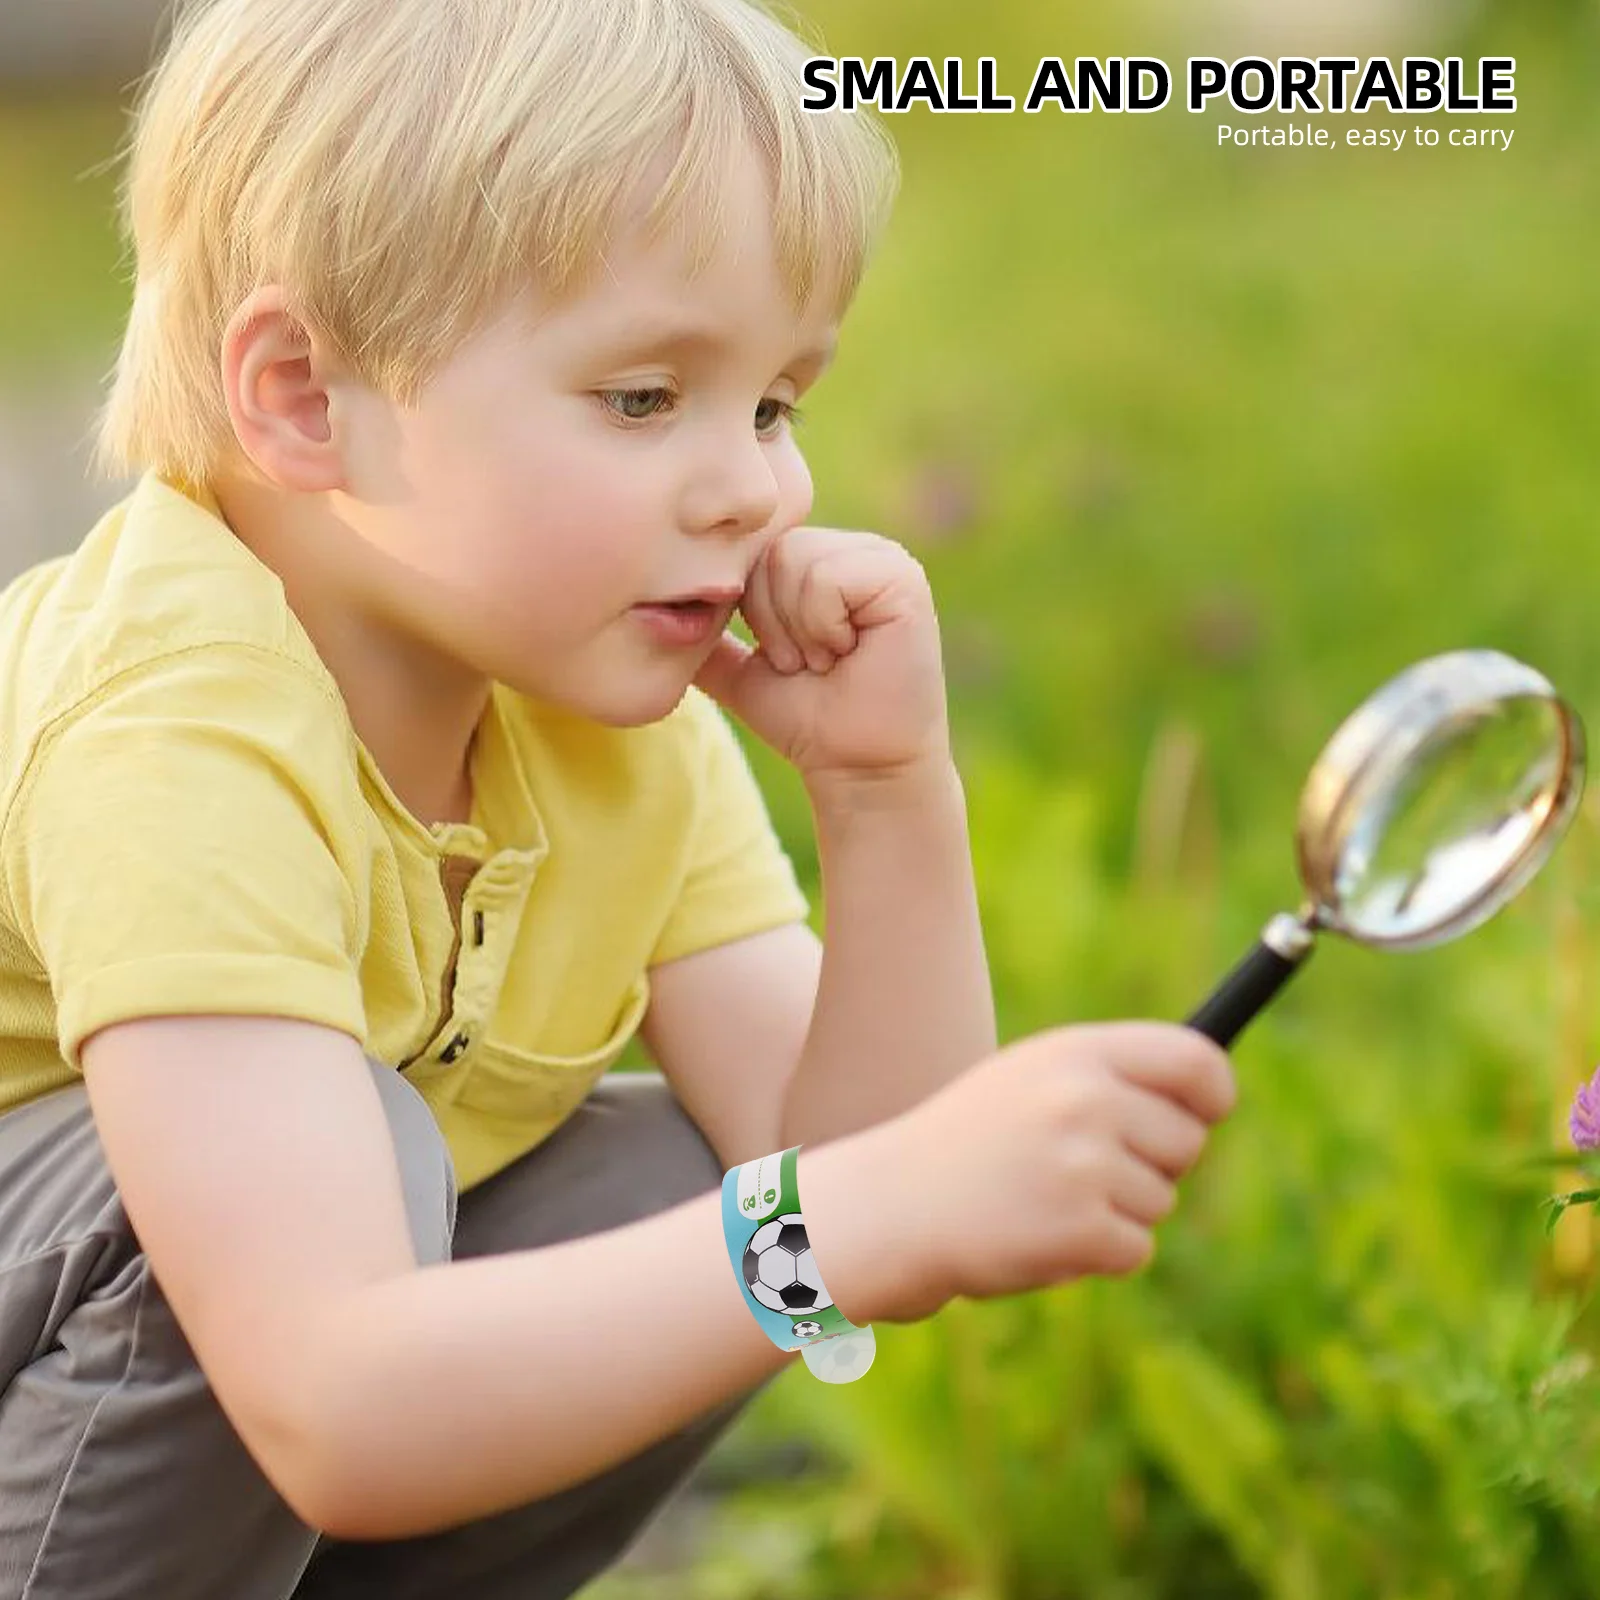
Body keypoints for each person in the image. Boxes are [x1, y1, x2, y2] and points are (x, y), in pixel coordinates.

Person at [0, 0, 1236, 1594]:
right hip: (104, 1328)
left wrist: (883, 792)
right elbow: (335, 1402)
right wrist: (837, 1224)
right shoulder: (177, 720)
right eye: (646, 399)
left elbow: (865, 1175)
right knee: (314, 1205)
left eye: (778, 403)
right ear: (307, 396)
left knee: (687, 1198)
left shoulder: (591, 698)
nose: (760, 488)